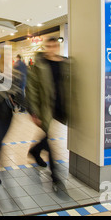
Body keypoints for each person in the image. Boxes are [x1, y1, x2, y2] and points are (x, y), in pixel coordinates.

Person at [25, 37, 69, 189]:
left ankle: (35, 151)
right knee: (49, 140)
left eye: (54, 45)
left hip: (60, 106)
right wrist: (34, 112)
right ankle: (55, 175)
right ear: (45, 47)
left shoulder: (65, 63)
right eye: (48, 46)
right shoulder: (39, 65)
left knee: (46, 137)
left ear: (58, 46)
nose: (51, 48)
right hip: (46, 108)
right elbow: (31, 89)